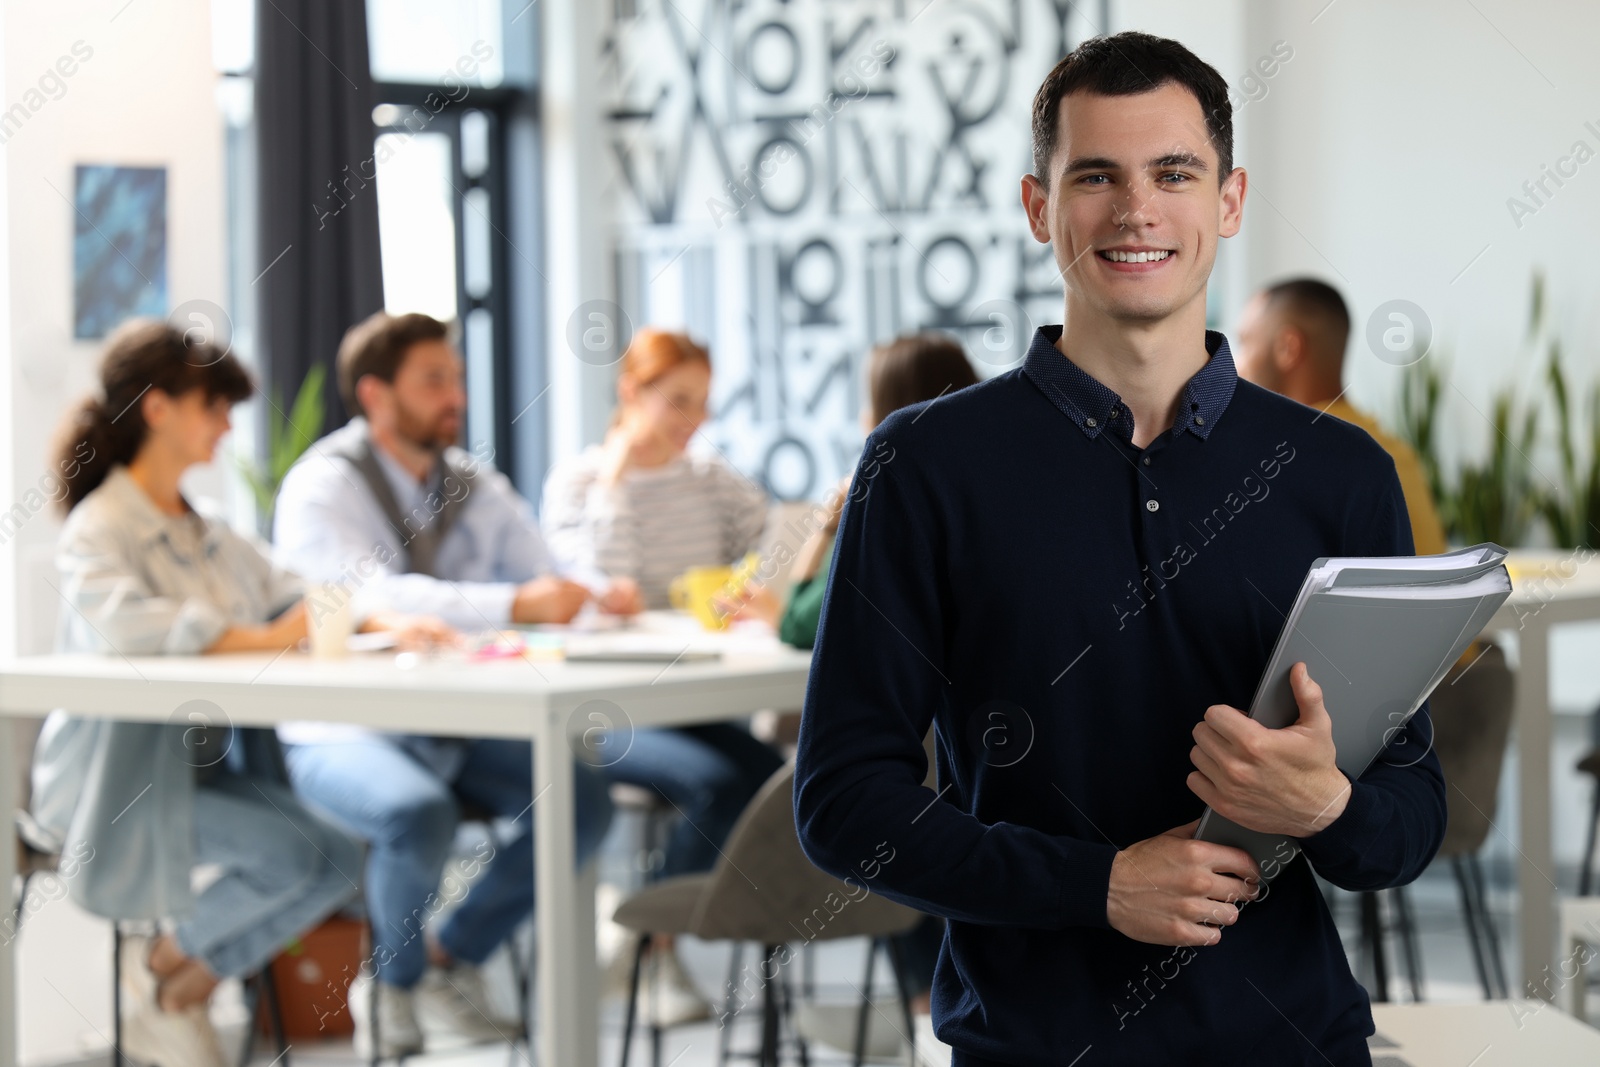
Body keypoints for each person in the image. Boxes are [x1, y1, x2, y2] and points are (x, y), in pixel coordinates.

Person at [794, 31, 1446, 1067]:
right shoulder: (921, 463)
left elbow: (1409, 820)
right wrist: (1095, 885)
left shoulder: (1339, 471)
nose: (1135, 209)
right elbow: (841, 804)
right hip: (1029, 1043)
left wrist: (1324, 804)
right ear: (1036, 206)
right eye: (1094, 175)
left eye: (1172, 174)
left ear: (1227, 202)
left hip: (1292, 1038)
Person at [30, 320, 440, 1067]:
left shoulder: (209, 528)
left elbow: (297, 589)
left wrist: (382, 616)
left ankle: (167, 979)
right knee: (296, 854)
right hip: (112, 789)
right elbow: (135, 629)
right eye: (214, 408)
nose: (226, 427)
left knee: (343, 856)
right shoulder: (98, 529)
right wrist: (271, 635)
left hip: (198, 778)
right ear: (158, 408)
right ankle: (165, 975)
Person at [271, 312, 623, 1056]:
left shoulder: (472, 482)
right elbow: (368, 595)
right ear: (375, 393)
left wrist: (593, 590)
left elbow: (541, 569)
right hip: (344, 729)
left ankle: (448, 958)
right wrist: (513, 605)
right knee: (418, 813)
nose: (453, 394)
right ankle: (392, 990)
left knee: (581, 797)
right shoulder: (324, 486)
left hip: (454, 723)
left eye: (456, 377)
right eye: (433, 380)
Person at [540, 328, 784, 1024]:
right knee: (716, 784)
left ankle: (643, 943)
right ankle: (647, 939)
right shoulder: (582, 482)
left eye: (701, 404)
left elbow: (775, 539)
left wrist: (752, 586)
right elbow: (593, 585)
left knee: (768, 776)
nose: (692, 420)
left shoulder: (710, 478)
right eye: (677, 400)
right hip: (603, 707)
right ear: (630, 392)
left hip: (695, 692)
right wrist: (618, 477)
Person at [1232, 277, 1447, 555]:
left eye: (1244, 343)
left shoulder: (1283, 460)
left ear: (1288, 348)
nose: (1233, 363)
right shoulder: (1393, 451)